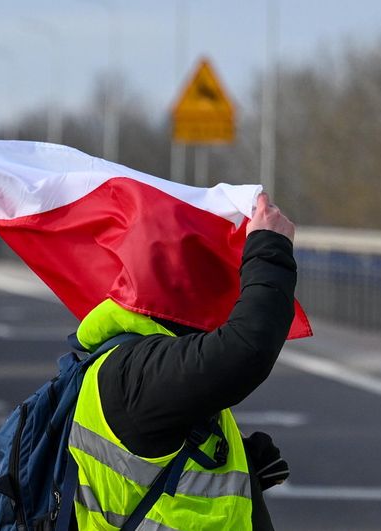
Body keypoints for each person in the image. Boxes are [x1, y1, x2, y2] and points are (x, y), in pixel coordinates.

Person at [67, 192, 296, 530]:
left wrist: (241, 470)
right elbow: (247, 349)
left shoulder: (127, 359)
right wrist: (270, 248)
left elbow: (147, 477)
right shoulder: (138, 372)